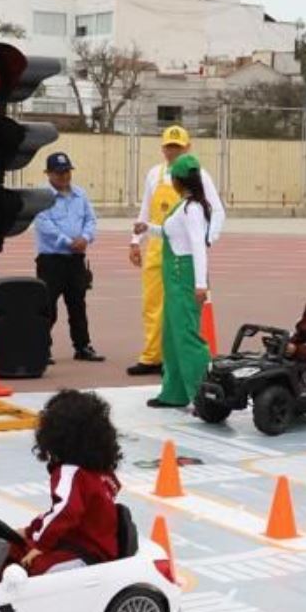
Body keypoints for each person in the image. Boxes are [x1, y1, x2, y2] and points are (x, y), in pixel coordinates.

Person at [127, 125, 224, 377]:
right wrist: (136, 240)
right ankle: (152, 357)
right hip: (158, 249)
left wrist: (207, 239)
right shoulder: (154, 175)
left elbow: (217, 211)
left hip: (183, 254)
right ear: (163, 148)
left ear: (187, 147)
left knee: (179, 309)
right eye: (169, 147)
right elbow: (146, 210)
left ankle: (177, 360)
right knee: (152, 305)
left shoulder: (199, 175)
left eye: (178, 147)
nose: (173, 152)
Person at [9, 389, 124, 575]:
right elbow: (60, 513)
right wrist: (31, 530)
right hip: (92, 544)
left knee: (32, 567)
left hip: (86, 553)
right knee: (14, 545)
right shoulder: (101, 470)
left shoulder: (69, 472)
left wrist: (40, 545)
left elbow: (65, 512)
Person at [148, 154, 214, 409]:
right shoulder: (183, 205)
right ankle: (174, 392)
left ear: (178, 180)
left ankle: (203, 394)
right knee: (172, 336)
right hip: (174, 275)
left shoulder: (193, 209)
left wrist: (200, 284)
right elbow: (170, 233)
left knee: (186, 336)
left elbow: (198, 246)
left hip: (183, 275)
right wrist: (148, 228)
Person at [32, 152, 103, 363]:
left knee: (77, 305)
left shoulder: (80, 195)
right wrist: (68, 241)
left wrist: (85, 237)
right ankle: (42, 349)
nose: (64, 176)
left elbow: (91, 220)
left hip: (76, 260)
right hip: (51, 260)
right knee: (47, 307)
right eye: (59, 172)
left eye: (66, 171)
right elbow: (44, 225)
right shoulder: (43, 197)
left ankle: (82, 346)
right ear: (48, 173)